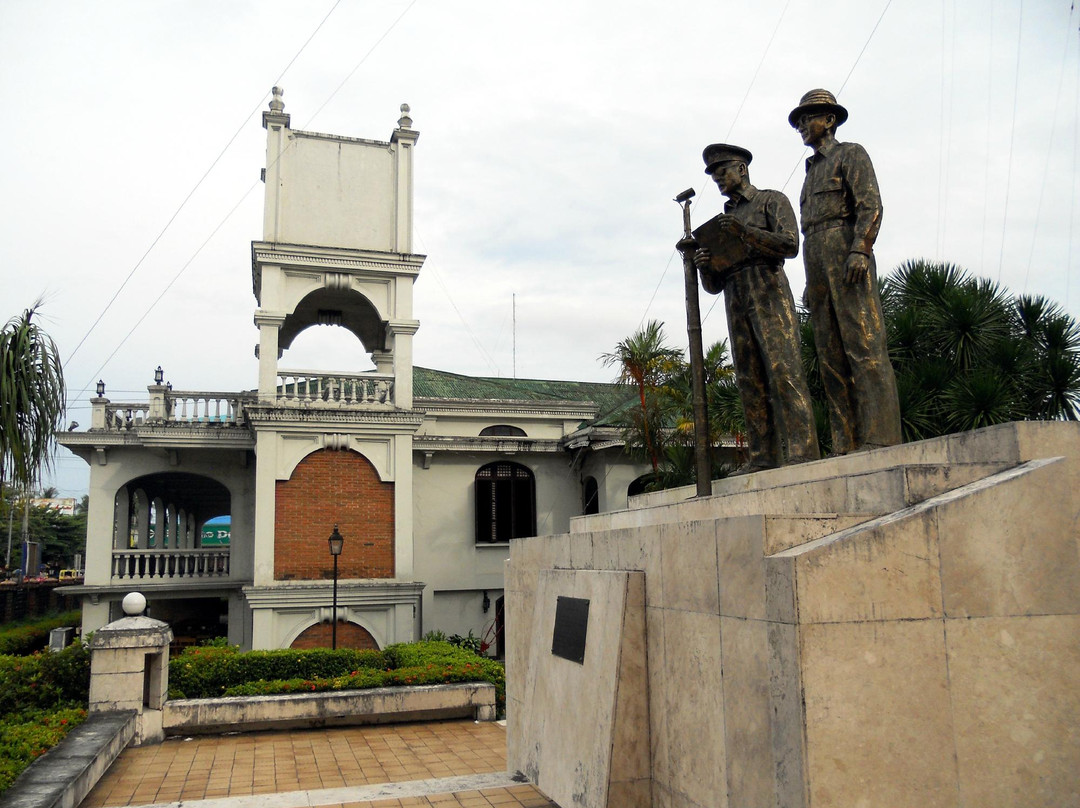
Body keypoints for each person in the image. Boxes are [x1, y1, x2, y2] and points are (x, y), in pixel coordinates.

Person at [691, 143, 820, 472]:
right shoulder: (724, 220)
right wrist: (705, 265)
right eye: (714, 176)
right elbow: (713, 286)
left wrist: (746, 233)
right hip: (735, 296)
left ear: (741, 169)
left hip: (769, 291)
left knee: (784, 372)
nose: (718, 179)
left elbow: (790, 244)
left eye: (722, 172)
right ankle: (762, 457)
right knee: (750, 380)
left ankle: (803, 452)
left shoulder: (770, 201)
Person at [790, 89, 901, 453]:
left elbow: (870, 204)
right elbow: (808, 230)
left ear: (830, 119)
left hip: (845, 248)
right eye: (800, 122)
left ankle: (880, 437)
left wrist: (861, 248)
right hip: (816, 257)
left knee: (864, 345)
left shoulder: (850, 154)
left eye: (809, 118)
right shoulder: (809, 174)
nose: (803, 126)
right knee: (830, 355)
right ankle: (845, 441)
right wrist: (810, 279)